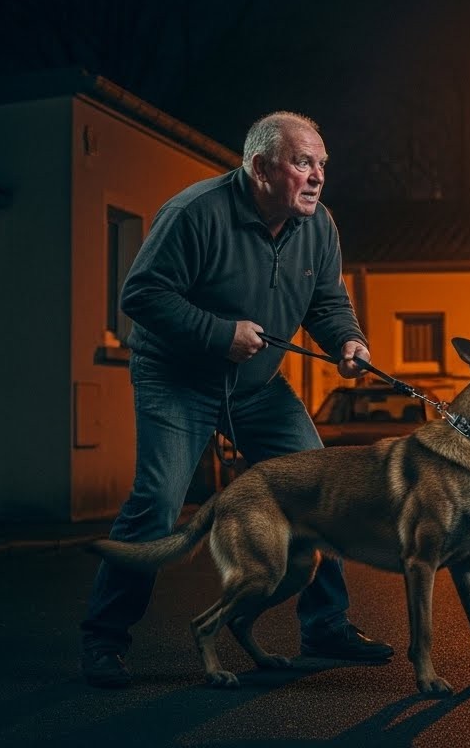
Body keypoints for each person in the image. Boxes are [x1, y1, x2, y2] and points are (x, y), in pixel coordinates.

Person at [80, 111, 393, 688]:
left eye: (323, 164)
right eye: (304, 163)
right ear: (260, 168)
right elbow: (141, 295)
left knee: (320, 485)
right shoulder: (195, 213)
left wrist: (349, 340)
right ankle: (103, 639)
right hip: (178, 379)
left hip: (257, 386)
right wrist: (220, 334)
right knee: (158, 501)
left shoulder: (318, 226)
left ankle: (325, 624)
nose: (318, 176)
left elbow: (326, 301)